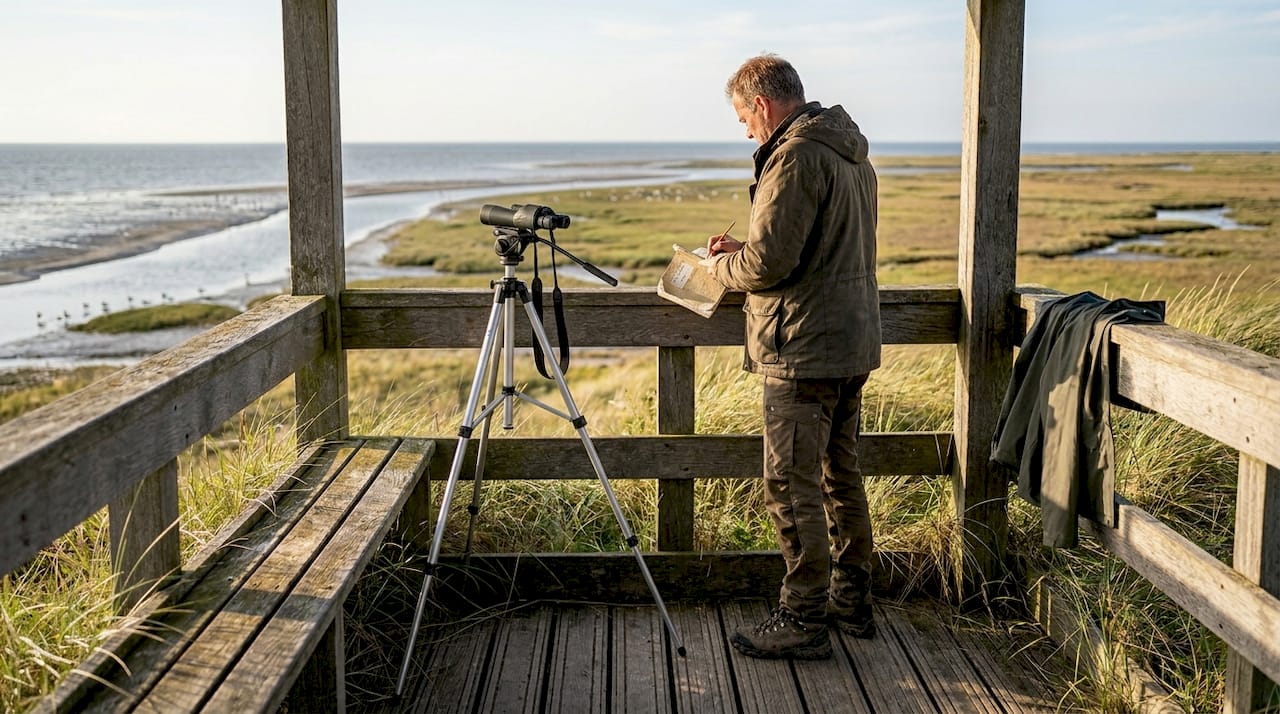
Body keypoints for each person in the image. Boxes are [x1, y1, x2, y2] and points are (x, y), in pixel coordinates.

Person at [701, 53, 882, 660]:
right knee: (839, 474)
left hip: (802, 348)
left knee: (791, 484)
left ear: (761, 104)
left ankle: (803, 618)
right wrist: (748, 244)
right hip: (849, 341)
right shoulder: (848, 152)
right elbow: (814, 245)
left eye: (743, 117)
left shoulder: (796, 156)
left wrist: (718, 266)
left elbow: (769, 265)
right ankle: (851, 601)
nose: (745, 131)